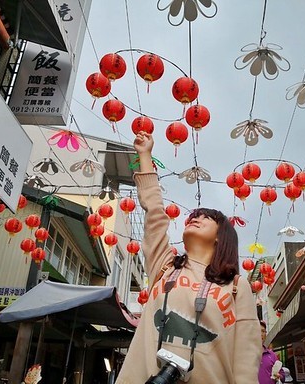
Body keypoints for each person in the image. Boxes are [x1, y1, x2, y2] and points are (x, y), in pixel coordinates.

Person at [116, 131, 261, 383]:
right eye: (195, 215)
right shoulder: (165, 266)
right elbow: (155, 216)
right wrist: (145, 155)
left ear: (220, 236)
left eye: (208, 217)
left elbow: (246, 359)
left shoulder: (237, 286)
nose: (197, 217)